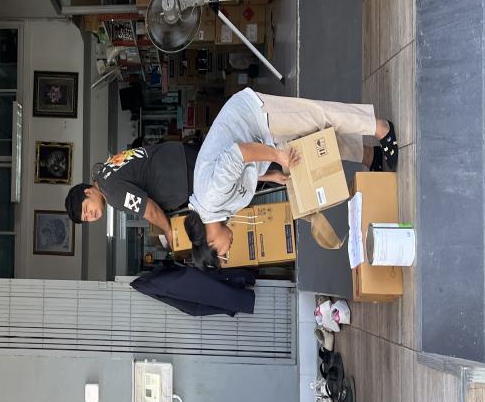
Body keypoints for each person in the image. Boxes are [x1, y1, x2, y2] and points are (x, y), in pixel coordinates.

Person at [185, 88, 397, 269]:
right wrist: (269, 175)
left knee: (318, 117)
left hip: (253, 116)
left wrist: (277, 156)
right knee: (314, 145)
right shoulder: (214, 211)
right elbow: (235, 174)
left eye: (224, 255)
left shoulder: (211, 197)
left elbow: (239, 153)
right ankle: (370, 156)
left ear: (211, 243)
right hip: (256, 136)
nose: (229, 251)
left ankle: (379, 127)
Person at [65, 141, 199, 242]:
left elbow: (149, 210)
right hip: (177, 153)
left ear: (88, 192)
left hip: (181, 175)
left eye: (86, 209)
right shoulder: (106, 169)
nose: (91, 215)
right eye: (86, 218)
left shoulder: (111, 192)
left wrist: (168, 230)